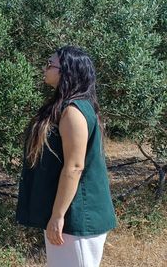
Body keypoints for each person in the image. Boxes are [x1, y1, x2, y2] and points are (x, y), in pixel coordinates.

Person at [16, 46, 116, 267]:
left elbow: (74, 167)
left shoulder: (73, 111)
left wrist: (58, 216)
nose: (45, 68)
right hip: (69, 215)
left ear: (66, 71)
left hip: (76, 217)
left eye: (50, 64)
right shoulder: (68, 107)